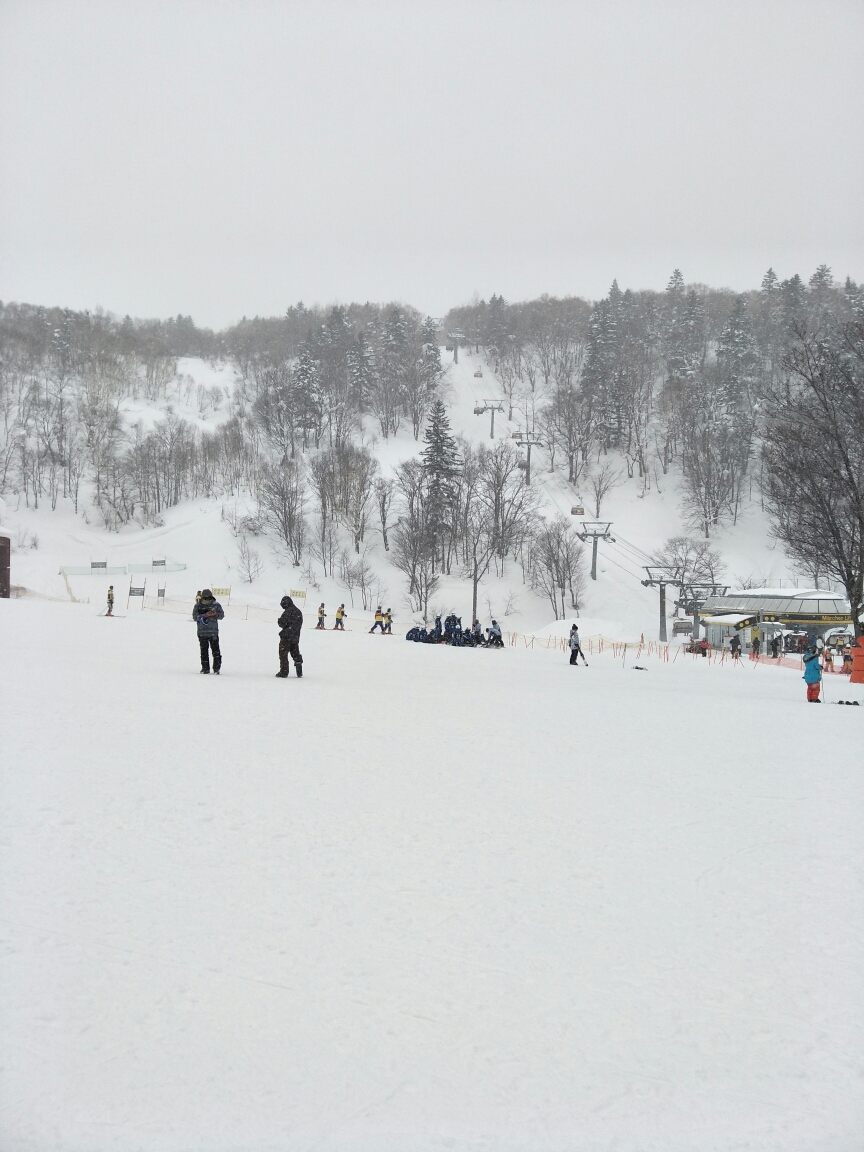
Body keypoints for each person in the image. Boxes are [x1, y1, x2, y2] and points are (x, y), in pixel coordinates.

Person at [193, 589, 225, 674]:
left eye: (209, 598)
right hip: (202, 633)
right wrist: (204, 615)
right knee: (204, 651)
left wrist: (215, 615)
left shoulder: (216, 605)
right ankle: (205, 668)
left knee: (216, 651)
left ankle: (216, 668)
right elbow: (195, 617)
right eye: (205, 598)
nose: (207, 600)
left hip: (213, 632)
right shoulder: (198, 606)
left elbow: (221, 615)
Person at [276, 594, 304, 677]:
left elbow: (282, 623)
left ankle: (284, 672)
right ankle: (299, 670)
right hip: (295, 636)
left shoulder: (288, 611)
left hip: (286, 636)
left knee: (283, 654)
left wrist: (279, 620)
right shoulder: (298, 611)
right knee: (295, 653)